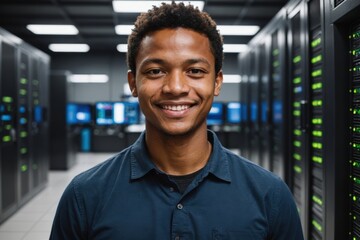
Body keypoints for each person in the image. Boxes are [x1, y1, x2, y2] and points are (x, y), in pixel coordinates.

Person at [50, 2, 304, 239]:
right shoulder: (84, 195)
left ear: (216, 82)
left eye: (195, 71)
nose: (175, 87)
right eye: (155, 71)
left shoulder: (270, 194)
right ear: (133, 84)